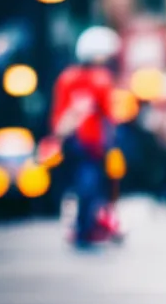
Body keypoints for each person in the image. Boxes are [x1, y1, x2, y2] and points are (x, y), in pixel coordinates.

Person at [50, 59, 118, 243]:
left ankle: (83, 226)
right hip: (88, 144)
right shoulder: (99, 80)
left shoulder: (67, 78)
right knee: (89, 186)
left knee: (80, 186)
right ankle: (84, 227)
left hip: (73, 143)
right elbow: (109, 115)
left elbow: (58, 116)